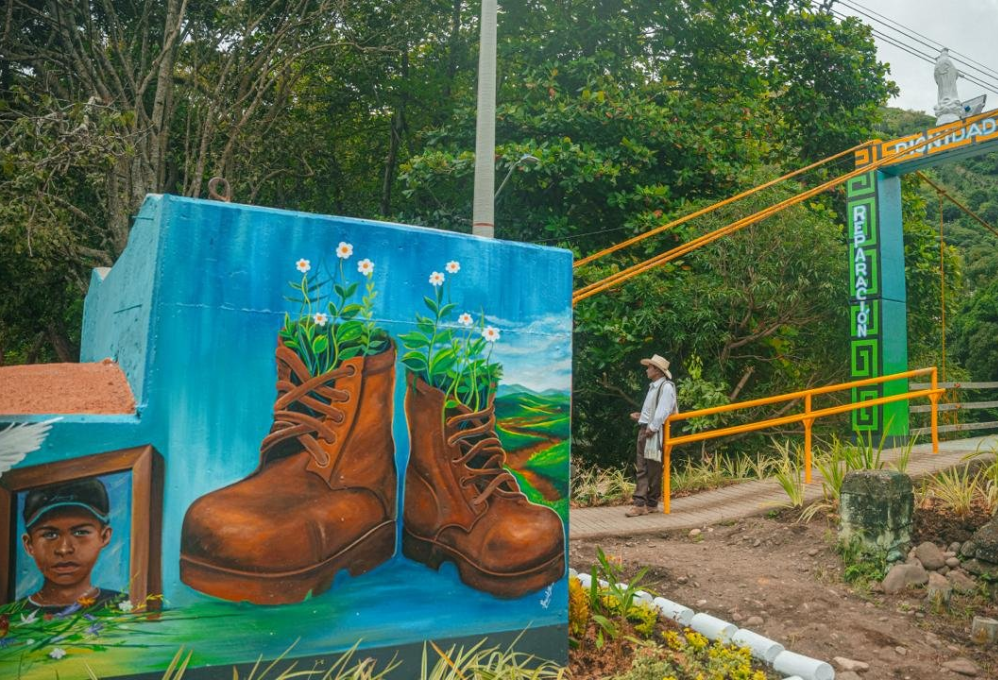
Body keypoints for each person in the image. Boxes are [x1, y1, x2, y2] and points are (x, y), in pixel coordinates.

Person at [19, 478, 123, 612]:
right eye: (50, 535)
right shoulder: (8, 616)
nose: (64, 549)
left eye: (80, 532)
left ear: (104, 536)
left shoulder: (129, 607)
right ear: (29, 544)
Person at [625, 354, 677, 517]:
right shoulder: (653, 386)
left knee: (652, 469)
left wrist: (652, 427)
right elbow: (655, 410)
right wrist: (641, 417)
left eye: (649, 367)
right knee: (642, 467)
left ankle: (649, 502)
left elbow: (664, 410)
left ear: (657, 370)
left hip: (653, 432)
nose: (647, 370)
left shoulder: (666, 387)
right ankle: (642, 502)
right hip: (646, 429)